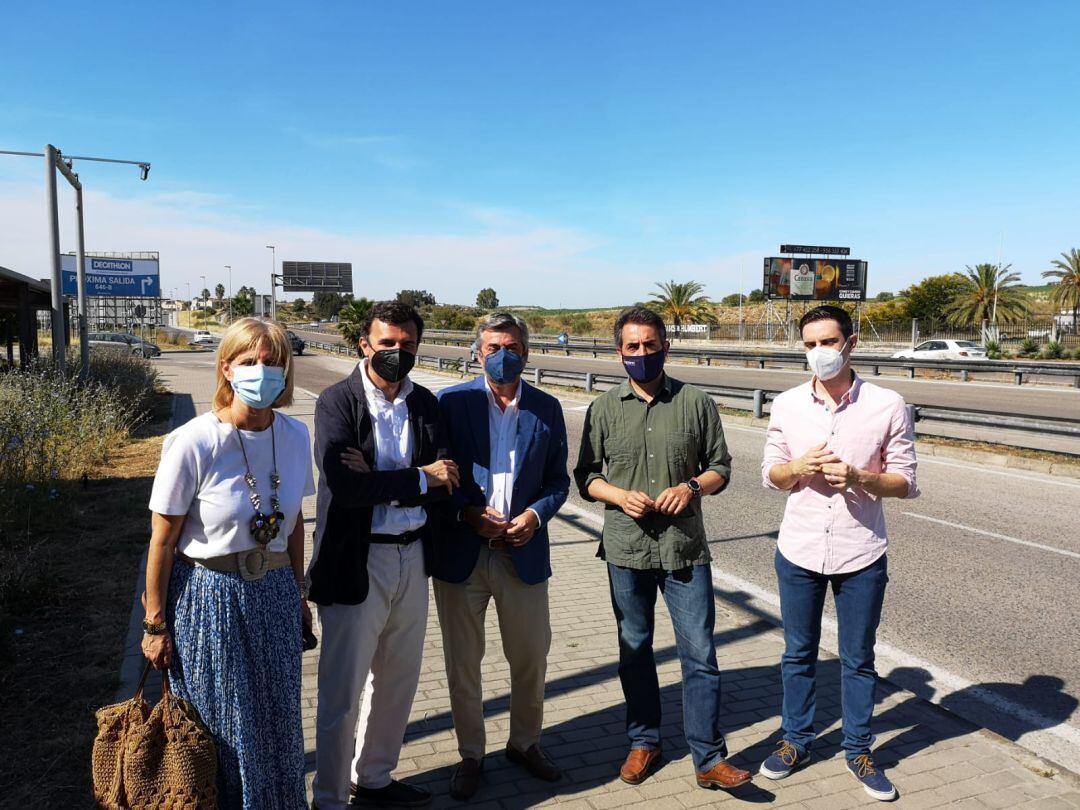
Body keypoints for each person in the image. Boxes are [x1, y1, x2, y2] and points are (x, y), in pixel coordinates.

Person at [573, 306, 752, 792]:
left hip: (684, 551)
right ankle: (644, 742)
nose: (642, 354)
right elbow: (585, 476)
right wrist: (616, 495)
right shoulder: (604, 408)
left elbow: (721, 467)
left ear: (666, 347)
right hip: (626, 550)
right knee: (635, 651)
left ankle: (709, 757)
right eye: (632, 346)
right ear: (619, 352)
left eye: (650, 345)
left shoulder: (696, 402)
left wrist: (692, 487)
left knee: (700, 656)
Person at [142, 317, 315, 808]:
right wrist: (155, 624)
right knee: (223, 727)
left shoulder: (297, 434)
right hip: (210, 598)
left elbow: (296, 522)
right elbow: (161, 541)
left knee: (279, 722)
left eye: (273, 362)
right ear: (226, 368)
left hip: (276, 593)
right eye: (249, 362)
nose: (262, 371)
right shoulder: (193, 440)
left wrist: (299, 595)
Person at [759, 305, 919, 802]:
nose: (818, 353)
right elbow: (770, 474)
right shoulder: (787, 405)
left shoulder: (888, 404)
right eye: (809, 345)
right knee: (798, 654)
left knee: (858, 658)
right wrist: (798, 467)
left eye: (827, 342)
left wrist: (859, 478)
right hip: (800, 548)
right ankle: (796, 741)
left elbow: (906, 482)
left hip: (861, 552)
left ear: (851, 344)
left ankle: (858, 749)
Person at [307, 301, 459, 810]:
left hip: (413, 557)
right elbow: (345, 487)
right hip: (356, 560)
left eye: (407, 344)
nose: (397, 352)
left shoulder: (425, 404)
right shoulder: (336, 401)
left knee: (397, 680)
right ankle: (329, 797)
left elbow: (448, 481)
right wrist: (418, 476)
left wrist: (381, 478)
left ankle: (373, 778)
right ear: (364, 345)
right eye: (387, 343)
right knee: (342, 692)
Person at [432, 313, 570, 801]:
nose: (501, 354)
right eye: (491, 346)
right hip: (462, 554)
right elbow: (436, 476)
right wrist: (468, 513)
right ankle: (471, 754)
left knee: (530, 658)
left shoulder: (548, 409)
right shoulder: (451, 403)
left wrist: (534, 516)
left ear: (527, 353)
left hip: (523, 553)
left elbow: (559, 481)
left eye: (510, 346)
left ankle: (525, 743)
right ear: (477, 351)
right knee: (463, 663)